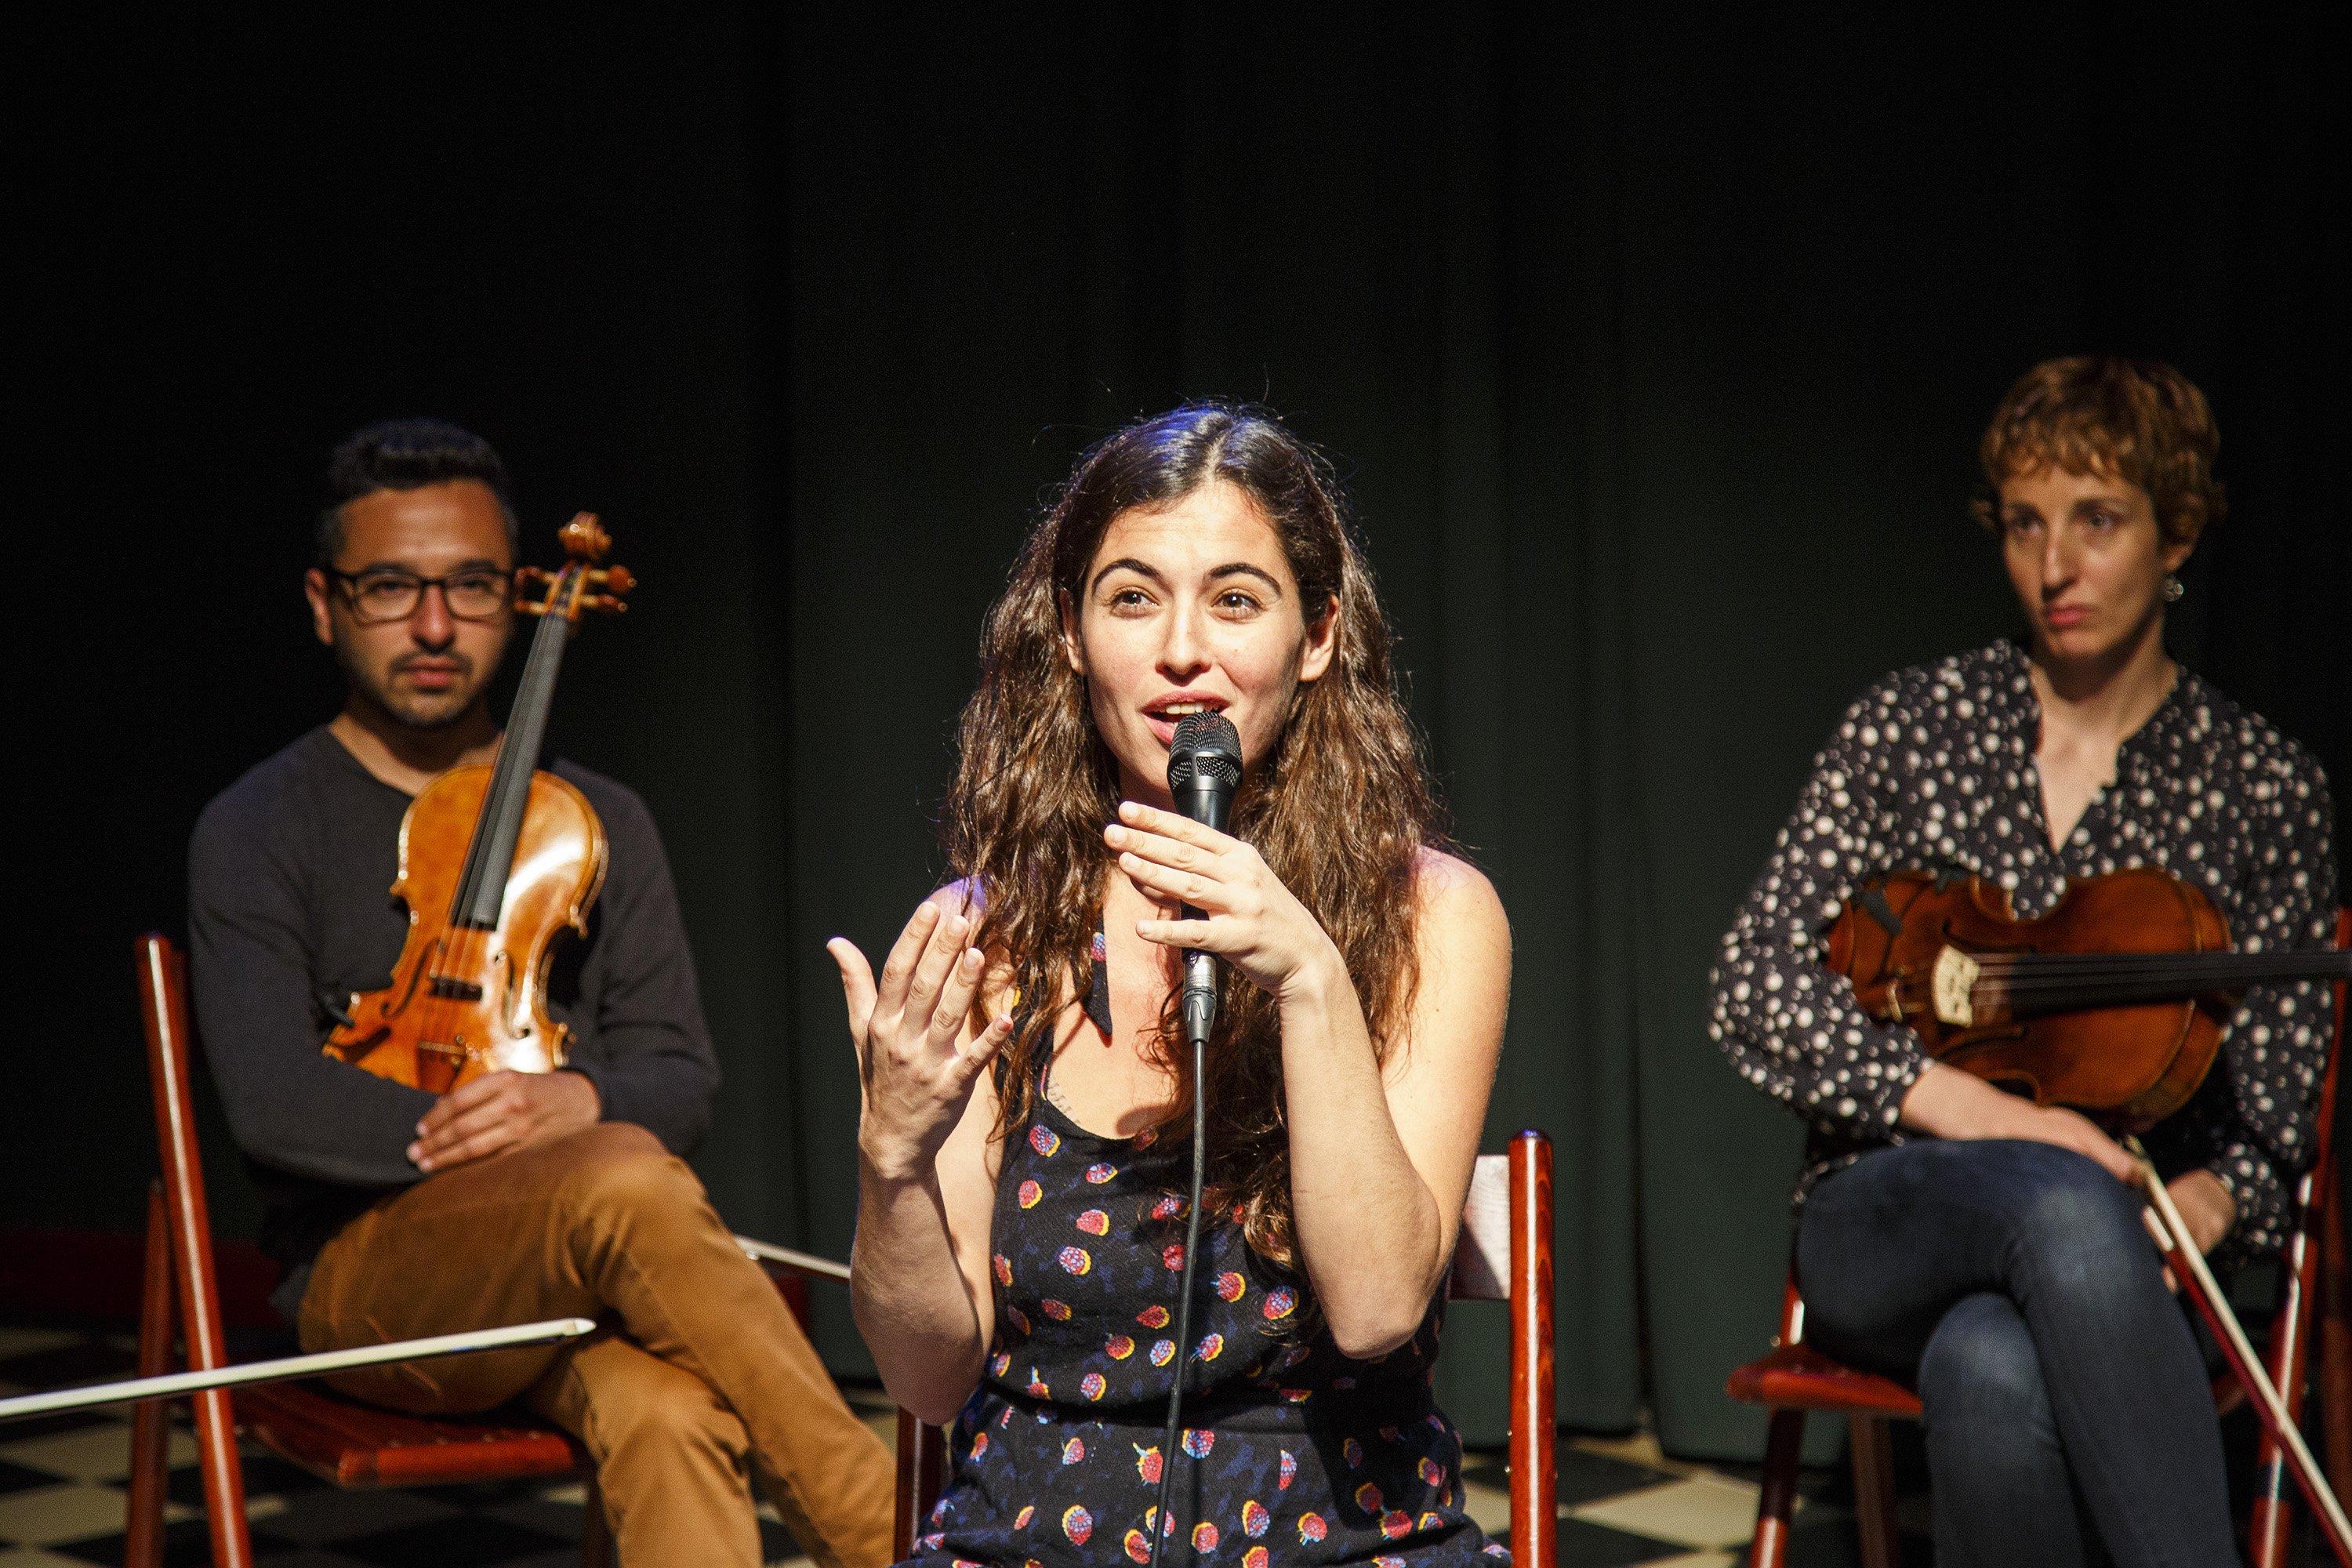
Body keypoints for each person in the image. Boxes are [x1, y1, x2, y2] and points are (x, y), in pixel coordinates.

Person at [188, 419, 895, 1568]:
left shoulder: (596, 823)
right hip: (366, 1291)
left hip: (564, 1275)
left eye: (468, 586)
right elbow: (272, 1103)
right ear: (326, 604)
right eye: (388, 588)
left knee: (668, 1415)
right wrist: (516, 1138)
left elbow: (677, 1078)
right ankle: (891, 1538)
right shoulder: (258, 825)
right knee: (619, 1174)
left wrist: (574, 1100)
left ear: (517, 598)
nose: (432, 625)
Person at [832, 405, 1514, 1568]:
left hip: (1337, 1535)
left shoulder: (1430, 914)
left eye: (1237, 600)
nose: (1182, 650)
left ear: (1317, 635)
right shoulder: (984, 935)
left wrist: (1308, 975)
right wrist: (891, 1161)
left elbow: (1379, 1307)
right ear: (1069, 631)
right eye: (1133, 597)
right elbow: (930, 1380)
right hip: (1032, 1532)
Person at [1710, 357, 2339, 1566]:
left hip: (2136, 1275)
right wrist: (1983, 1115)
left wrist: (2201, 1208)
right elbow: (1756, 982)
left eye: (2097, 521)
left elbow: (2273, 1133)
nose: (2055, 566)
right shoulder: (1914, 725)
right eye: (2025, 525)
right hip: (1887, 1215)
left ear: (2179, 534)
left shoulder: (2265, 789)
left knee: (1992, 1369)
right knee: (2061, 1192)